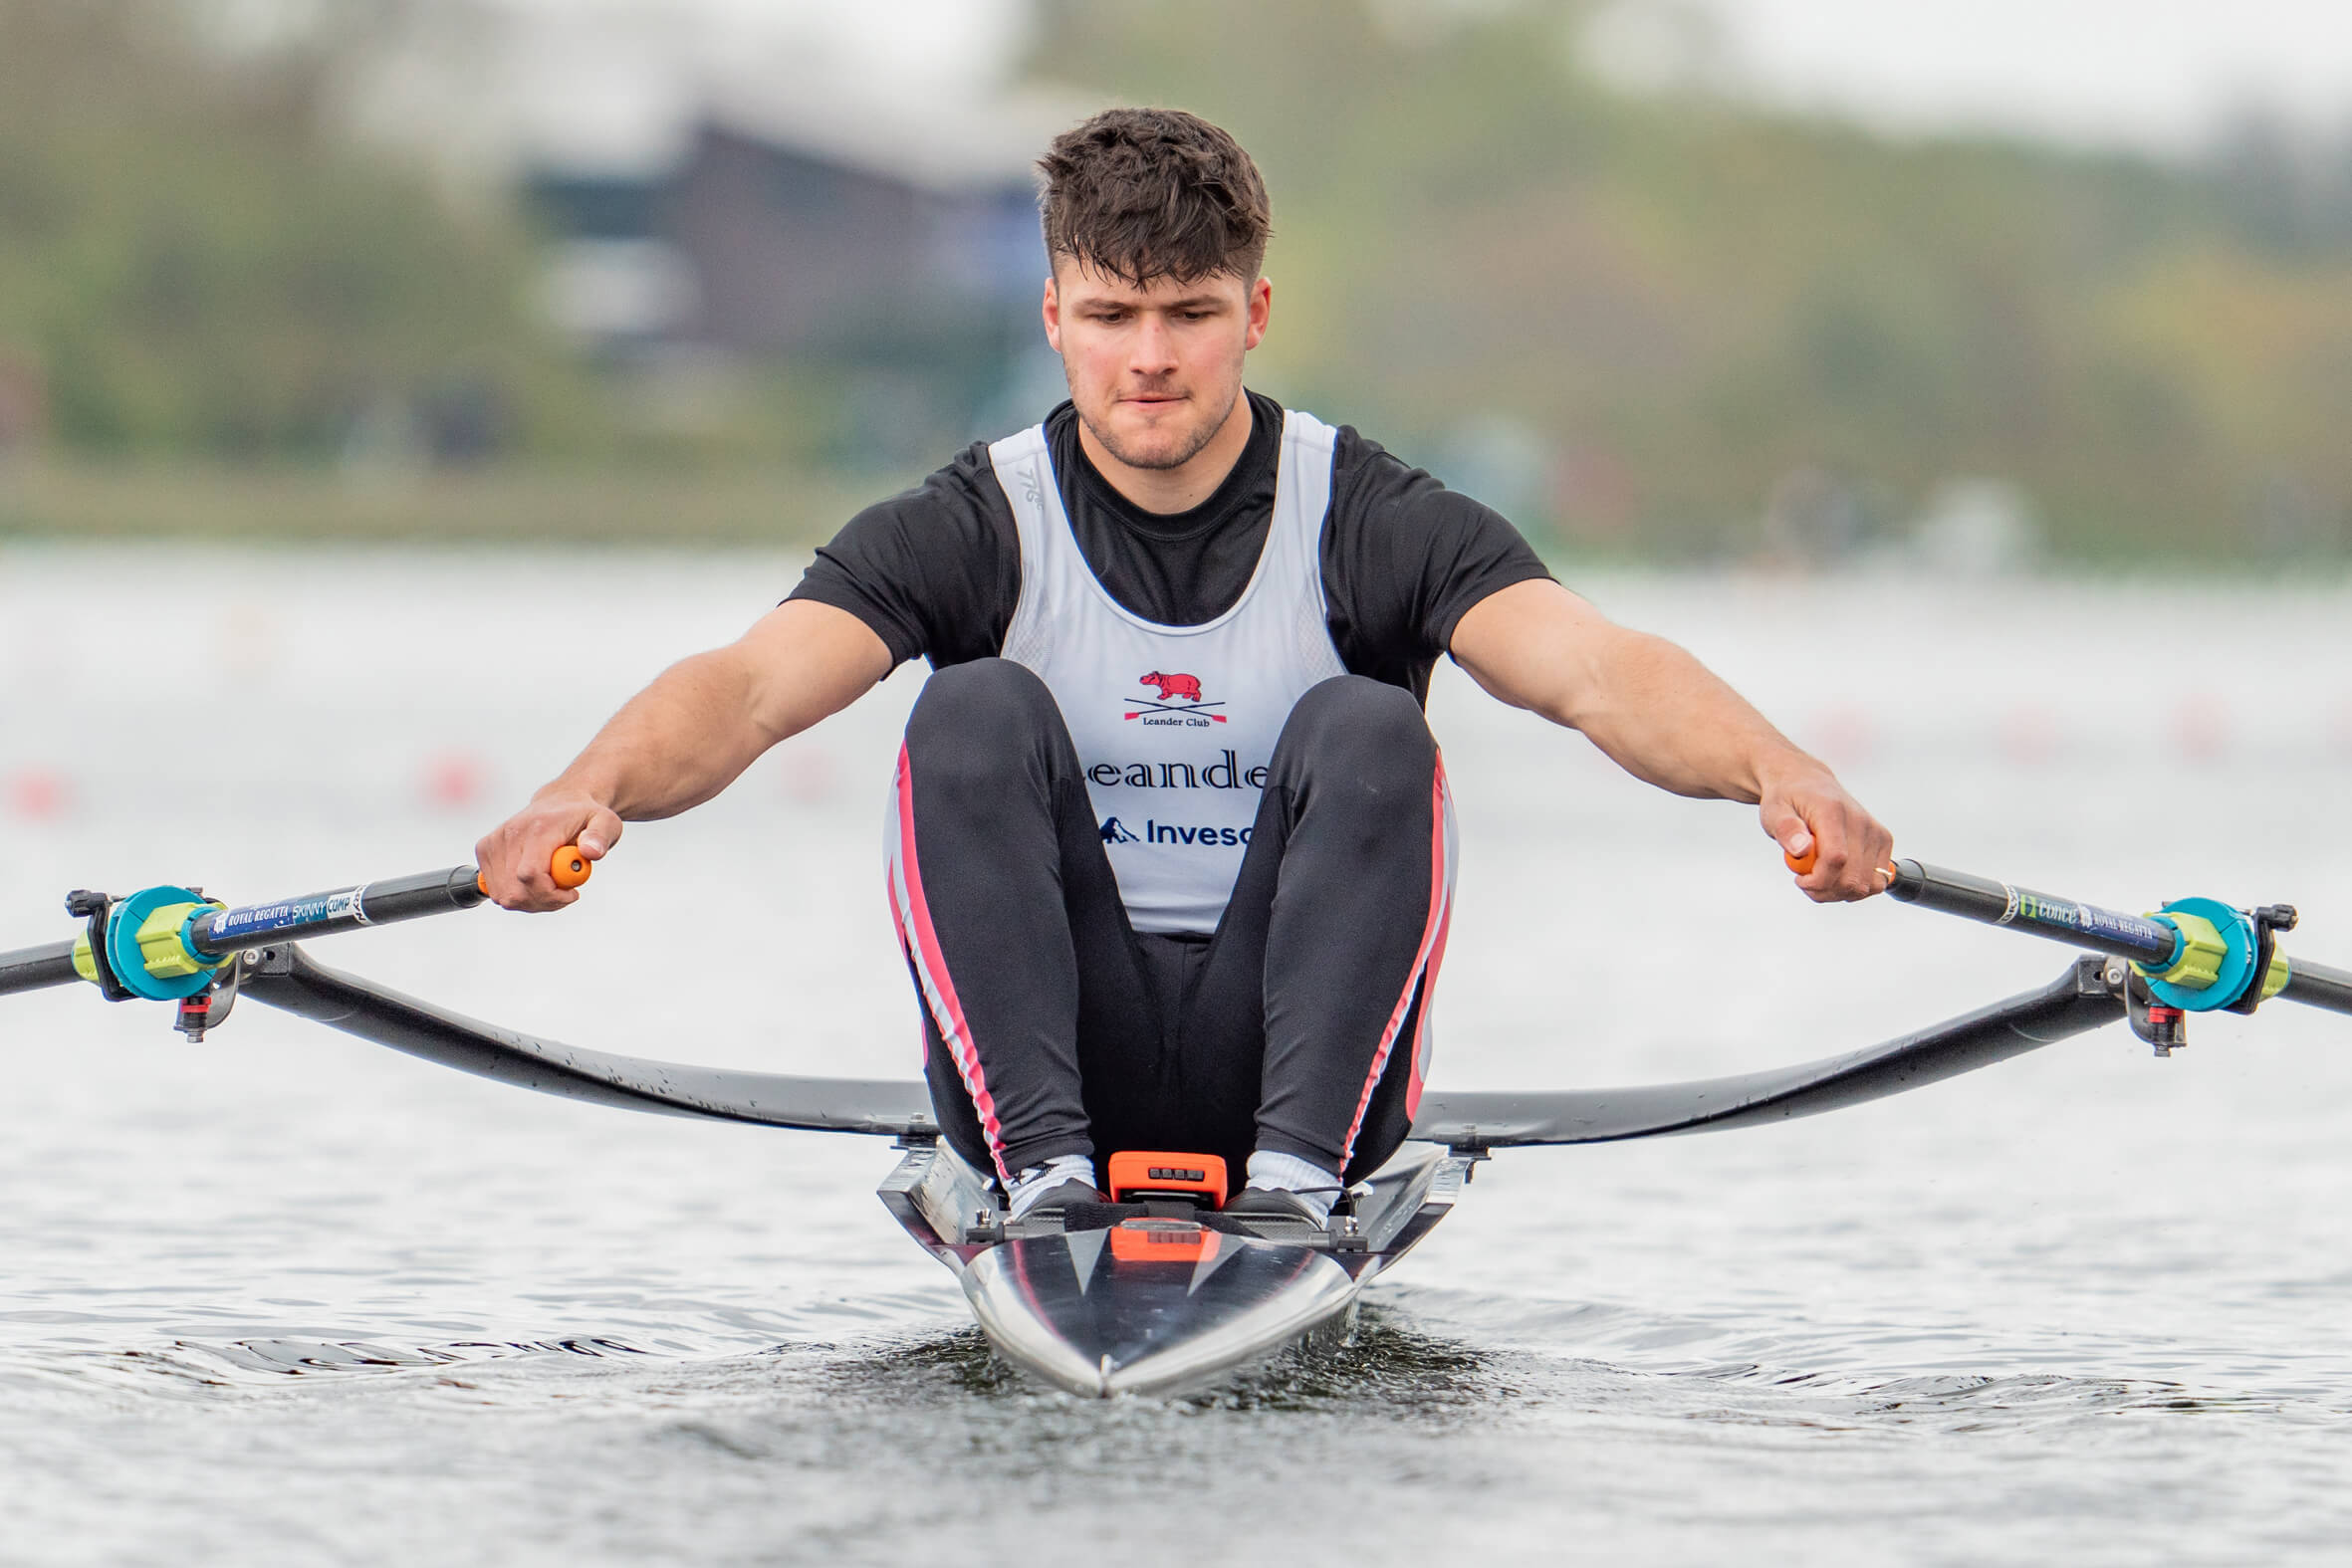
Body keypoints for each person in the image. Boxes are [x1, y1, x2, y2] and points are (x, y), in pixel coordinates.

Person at [476, 107, 1895, 1226]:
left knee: (1367, 727)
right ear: (1053, 318)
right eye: (1110, 317)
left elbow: (1595, 669)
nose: (1147, 359)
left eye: (1189, 314)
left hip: (1299, 1072)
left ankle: (1292, 1183)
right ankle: (1044, 1180)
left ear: (1255, 315)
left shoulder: (1371, 517)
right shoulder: (976, 522)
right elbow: (748, 687)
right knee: (968, 710)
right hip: (1041, 1071)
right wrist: (581, 787)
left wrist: (1780, 769)